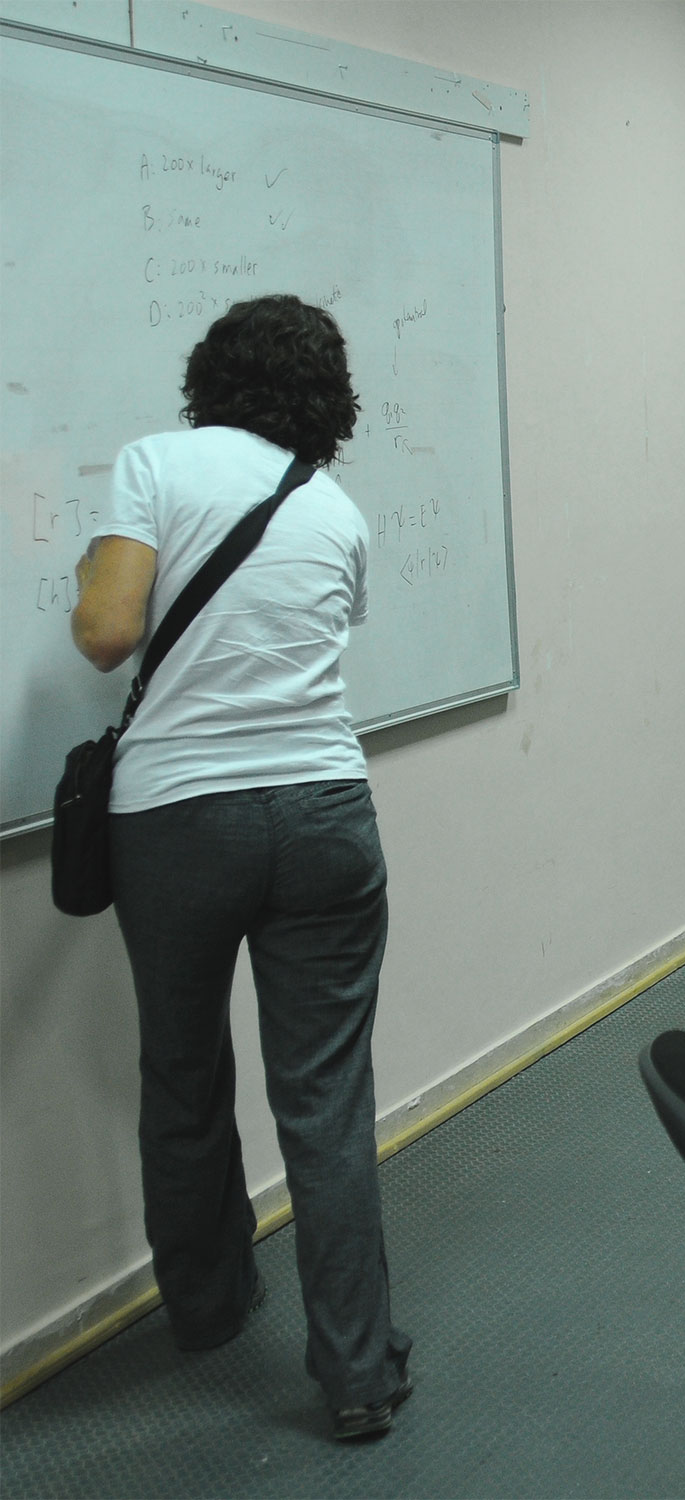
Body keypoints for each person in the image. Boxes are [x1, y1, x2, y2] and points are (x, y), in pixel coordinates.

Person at [69, 295, 413, 1440]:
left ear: (209, 375)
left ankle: (211, 1314)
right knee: (325, 1100)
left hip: (177, 820)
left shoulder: (154, 464)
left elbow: (108, 632)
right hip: (323, 811)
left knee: (183, 1077)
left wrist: (89, 572)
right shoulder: (334, 503)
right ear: (326, 394)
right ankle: (359, 1372)